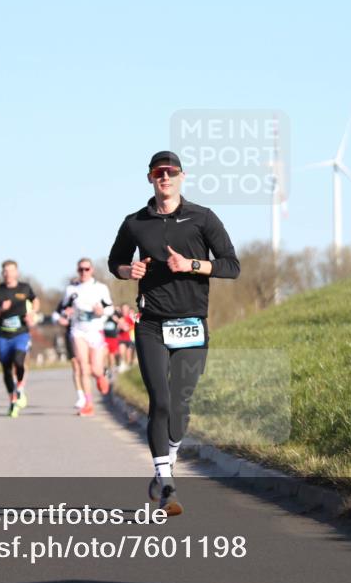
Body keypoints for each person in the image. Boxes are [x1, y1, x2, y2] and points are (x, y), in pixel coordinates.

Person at [108, 150, 240, 516]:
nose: (164, 177)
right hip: (150, 324)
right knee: (160, 401)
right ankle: (166, 482)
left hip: (191, 323)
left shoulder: (203, 218)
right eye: (158, 173)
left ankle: (167, 460)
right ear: (150, 178)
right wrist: (127, 272)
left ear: (182, 176)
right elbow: (114, 261)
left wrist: (192, 265)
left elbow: (231, 266)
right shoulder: (136, 222)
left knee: (181, 404)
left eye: (170, 172)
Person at [59, 258, 115, 416]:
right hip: (78, 331)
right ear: (77, 271)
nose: (83, 272)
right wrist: (66, 313)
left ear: (92, 270)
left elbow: (110, 308)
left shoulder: (100, 288)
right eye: (80, 269)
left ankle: (100, 376)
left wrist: (102, 311)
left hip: (95, 330)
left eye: (86, 269)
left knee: (95, 368)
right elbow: (63, 308)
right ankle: (88, 403)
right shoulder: (71, 289)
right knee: (83, 367)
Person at [0, 260, 39, 417]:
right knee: (6, 369)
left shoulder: (24, 288)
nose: (8, 274)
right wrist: (0, 309)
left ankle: (20, 387)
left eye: (11, 271)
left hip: (21, 333)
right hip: (3, 335)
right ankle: (13, 400)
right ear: (2, 273)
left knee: (19, 361)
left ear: (17, 273)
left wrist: (33, 313)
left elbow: (35, 301)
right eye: (5, 271)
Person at [53, 276, 87, 409]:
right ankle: (81, 396)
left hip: (86, 334)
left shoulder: (87, 299)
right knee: (76, 365)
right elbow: (55, 315)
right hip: (70, 334)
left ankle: (87, 393)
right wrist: (60, 320)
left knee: (85, 366)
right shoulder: (65, 301)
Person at [116, 303, 136, 372]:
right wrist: (119, 326)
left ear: (128, 309)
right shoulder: (119, 318)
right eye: (123, 309)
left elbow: (134, 326)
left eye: (126, 308)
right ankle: (122, 364)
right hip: (121, 338)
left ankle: (128, 370)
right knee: (121, 352)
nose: (124, 310)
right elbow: (117, 328)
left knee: (128, 355)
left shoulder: (131, 317)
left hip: (130, 339)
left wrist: (128, 327)